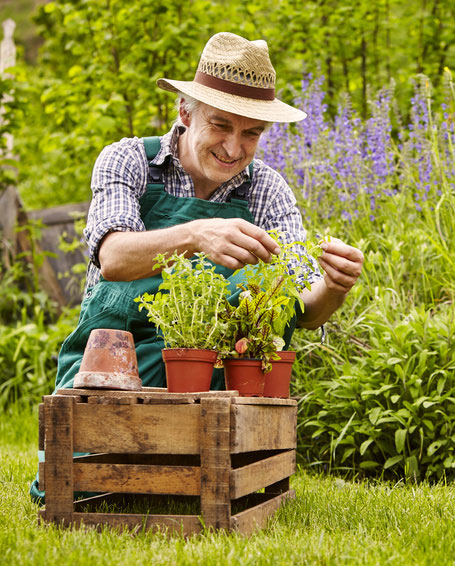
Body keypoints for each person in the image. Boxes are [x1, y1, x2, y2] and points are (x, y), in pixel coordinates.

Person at [30, 31, 363, 503]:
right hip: (114, 376)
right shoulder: (131, 161)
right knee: (88, 479)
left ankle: (209, 468)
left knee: (265, 292)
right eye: (221, 125)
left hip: (218, 392)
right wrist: (196, 235)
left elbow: (302, 306)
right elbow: (114, 258)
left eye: (251, 133)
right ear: (185, 113)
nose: (234, 147)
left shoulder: (267, 191)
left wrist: (333, 286)